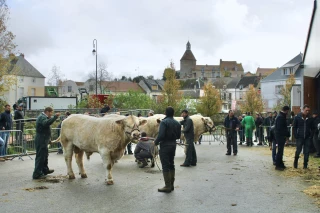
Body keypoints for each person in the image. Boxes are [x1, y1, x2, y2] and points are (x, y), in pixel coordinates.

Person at [154, 106, 181, 193]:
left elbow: (161, 135)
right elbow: (178, 136)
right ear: (173, 113)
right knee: (171, 164)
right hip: (173, 145)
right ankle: (171, 185)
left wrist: (156, 142)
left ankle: (167, 186)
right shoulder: (178, 123)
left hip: (165, 145)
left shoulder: (164, 122)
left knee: (165, 165)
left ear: (165, 113)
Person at [32, 107, 60, 179]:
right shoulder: (42, 117)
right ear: (47, 112)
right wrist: (55, 117)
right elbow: (46, 123)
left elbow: (46, 129)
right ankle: (37, 173)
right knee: (40, 156)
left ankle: (44, 170)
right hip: (41, 139)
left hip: (44, 139)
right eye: (51, 113)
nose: (51, 114)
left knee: (45, 155)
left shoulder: (43, 117)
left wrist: (49, 139)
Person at [293, 105, 312, 169]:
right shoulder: (297, 117)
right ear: (303, 110)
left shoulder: (309, 118)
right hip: (300, 137)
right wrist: (296, 135)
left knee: (307, 151)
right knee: (298, 150)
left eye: (308, 110)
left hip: (307, 137)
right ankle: (295, 162)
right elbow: (294, 127)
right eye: (306, 110)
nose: (307, 112)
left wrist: (310, 135)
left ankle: (305, 165)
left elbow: (312, 127)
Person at [274, 106, 290, 171]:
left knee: (280, 150)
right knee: (280, 151)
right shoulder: (281, 117)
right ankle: (278, 164)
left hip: (279, 135)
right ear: (286, 110)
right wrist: (286, 134)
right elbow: (281, 128)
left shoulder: (280, 116)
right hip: (280, 136)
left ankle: (280, 163)